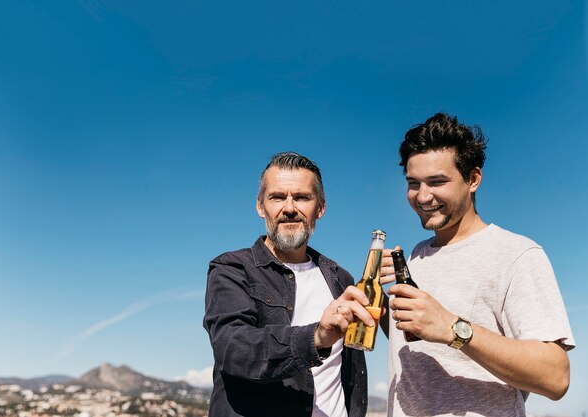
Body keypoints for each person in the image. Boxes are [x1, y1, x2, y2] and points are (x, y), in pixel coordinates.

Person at [384, 112, 575, 417]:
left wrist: (452, 328)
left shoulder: (517, 254)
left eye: (437, 182)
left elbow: (556, 377)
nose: (422, 196)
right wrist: (379, 309)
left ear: (472, 179)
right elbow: (419, 347)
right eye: (413, 183)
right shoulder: (413, 259)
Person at [203, 152, 374, 417]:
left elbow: (350, 374)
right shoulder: (232, 269)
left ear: (320, 208)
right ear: (261, 206)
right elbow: (233, 349)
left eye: (302, 197)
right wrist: (316, 337)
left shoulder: (342, 279)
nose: (290, 208)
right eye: (277, 197)